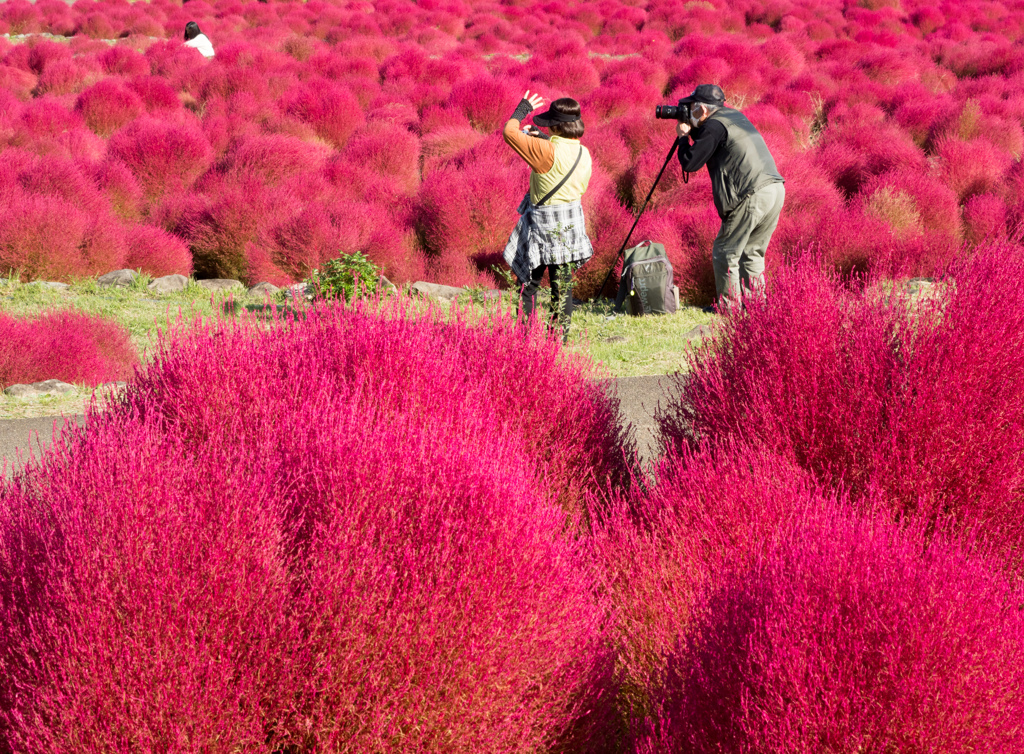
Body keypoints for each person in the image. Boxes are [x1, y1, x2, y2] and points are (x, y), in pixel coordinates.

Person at [675, 84, 785, 308]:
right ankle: (757, 308)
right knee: (752, 252)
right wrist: (694, 129)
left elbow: (691, 162)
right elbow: (714, 139)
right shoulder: (733, 116)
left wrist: (682, 138)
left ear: (703, 110)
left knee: (726, 251)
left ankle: (729, 308)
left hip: (752, 194)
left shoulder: (714, 126)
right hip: (774, 189)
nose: (690, 110)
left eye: (693, 107)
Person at [503, 92, 594, 341]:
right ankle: (558, 339)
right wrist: (543, 139)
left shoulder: (545, 150)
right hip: (571, 226)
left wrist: (523, 108)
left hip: (542, 227)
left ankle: (524, 338)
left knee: (529, 283)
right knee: (561, 286)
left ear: (555, 126)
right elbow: (563, 161)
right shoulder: (584, 153)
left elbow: (510, 132)